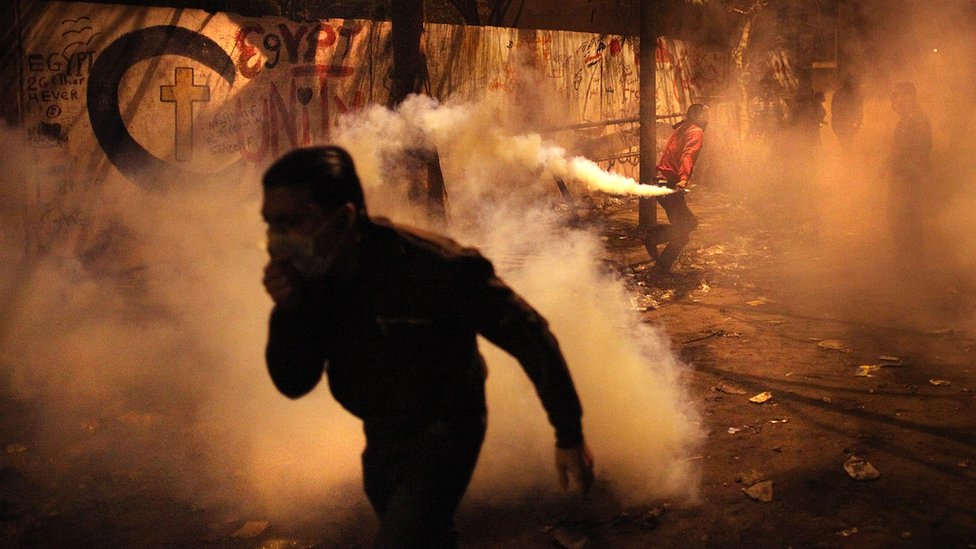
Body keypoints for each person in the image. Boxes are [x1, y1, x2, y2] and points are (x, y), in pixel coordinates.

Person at [259, 145, 594, 548]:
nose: (279, 240)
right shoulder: (315, 282)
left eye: (294, 222)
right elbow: (294, 382)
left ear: (345, 217)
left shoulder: (435, 268)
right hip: (382, 431)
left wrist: (568, 434)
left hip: (448, 424)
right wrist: (291, 312)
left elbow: (528, 334)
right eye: (272, 224)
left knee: (405, 537)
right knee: (423, 533)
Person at [642, 103, 708, 274]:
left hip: (661, 182)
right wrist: (684, 179)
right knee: (688, 225)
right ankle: (653, 239)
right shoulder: (695, 132)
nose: (707, 120)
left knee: (683, 230)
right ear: (697, 116)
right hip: (669, 185)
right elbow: (688, 155)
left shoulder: (683, 128)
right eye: (705, 115)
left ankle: (660, 267)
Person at [887, 81, 932, 267]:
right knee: (901, 217)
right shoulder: (908, 120)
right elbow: (899, 149)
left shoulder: (915, 120)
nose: (896, 102)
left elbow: (920, 149)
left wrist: (900, 166)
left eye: (899, 96)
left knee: (905, 218)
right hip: (904, 175)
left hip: (908, 177)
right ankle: (909, 259)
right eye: (896, 97)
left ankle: (910, 261)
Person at [831, 78, 864, 147]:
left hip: (847, 120)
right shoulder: (854, 94)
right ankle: (846, 147)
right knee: (845, 135)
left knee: (845, 135)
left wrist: (859, 120)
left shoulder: (839, 93)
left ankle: (846, 147)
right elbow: (834, 107)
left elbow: (859, 107)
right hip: (845, 119)